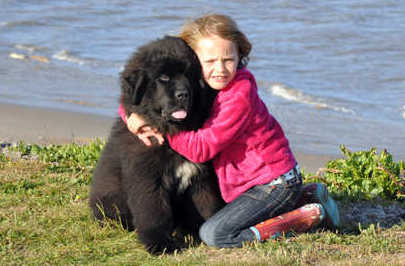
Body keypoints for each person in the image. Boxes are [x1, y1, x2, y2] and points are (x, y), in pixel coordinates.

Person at [119, 14, 339, 248]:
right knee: (223, 216)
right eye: (210, 61)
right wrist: (131, 115)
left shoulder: (238, 95)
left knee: (215, 234)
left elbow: (202, 149)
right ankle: (305, 196)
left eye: (228, 59)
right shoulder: (209, 86)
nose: (220, 69)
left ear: (239, 56)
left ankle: (302, 219)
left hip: (272, 183)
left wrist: (160, 128)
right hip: (252, 184)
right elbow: (142, 92)